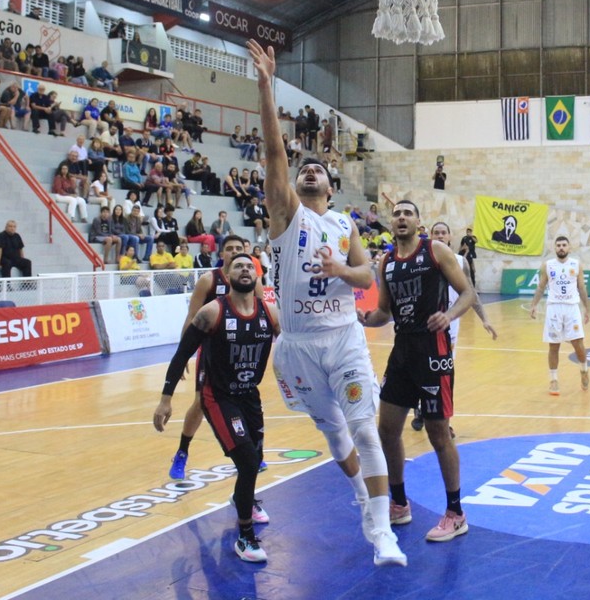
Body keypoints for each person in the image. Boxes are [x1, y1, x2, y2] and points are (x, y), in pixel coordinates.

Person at [247, 38, 406, 567]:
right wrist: (266, 85)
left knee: (365, 426)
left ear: (332, 190)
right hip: (296, 347)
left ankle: (382, 532)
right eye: (303, 169)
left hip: (343, 338)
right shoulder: (287, 218)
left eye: (319, 170)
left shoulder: (342, 224)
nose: (310, 170)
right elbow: (274, 152)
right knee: (336, 433)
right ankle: (363, 493)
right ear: (293, 186)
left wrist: (343, 270)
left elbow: (366, 273)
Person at [362, 201, 477, 543]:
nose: (400, 218)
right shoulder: (386, 261)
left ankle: (456, 513)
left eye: (407, 213)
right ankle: (398, 503)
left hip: (433, 350)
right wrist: (365, 318)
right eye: (396, 214)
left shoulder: (435, 250)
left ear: (418, 222)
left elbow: (468, 293)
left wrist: (449, 315)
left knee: (438, 432)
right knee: (387, 429)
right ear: (391, 223)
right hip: (402, 350)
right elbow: (384, 311)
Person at [153, 252, 278, 563]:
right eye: (239, 266)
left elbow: (294, 345)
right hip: (218, 397)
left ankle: (241, 497)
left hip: (250, 395)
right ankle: (246, 537)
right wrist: (165, 398)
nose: (246, 270)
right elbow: (182, 354)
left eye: (250, 266)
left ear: (257, 275)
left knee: (256, 457)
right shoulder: (212, 312)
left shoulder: (270, 313)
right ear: (228, 274)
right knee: (248, 461)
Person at [529, 235, 590, 396]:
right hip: (554, 308)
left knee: (578, 344)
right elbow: (541, 287)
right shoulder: (548, 265)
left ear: (569, 248)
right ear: (554, 248)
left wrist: (587, 309)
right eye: (558, 245)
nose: (561, 248)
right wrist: (534, 305)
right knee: (553, 345)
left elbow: (582, 288)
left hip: (572, 308)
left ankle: (584, 369)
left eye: (564, 245)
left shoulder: (576, 264)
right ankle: (553, 379)